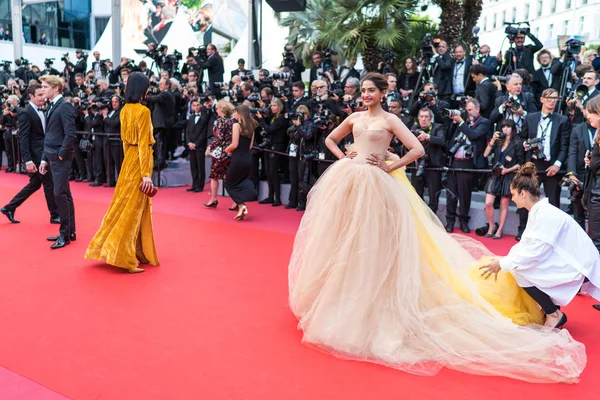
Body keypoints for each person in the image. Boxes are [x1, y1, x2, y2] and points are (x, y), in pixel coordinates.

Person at [289, 72, 586, 383]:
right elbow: (329, 139)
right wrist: (344, 157)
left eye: (370, 91)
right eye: (362, 90)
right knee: (344, 240)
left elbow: (416, 150)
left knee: (374, 243)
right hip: (350, 180)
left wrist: (389, 166)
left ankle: (375, 301)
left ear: (381, 92)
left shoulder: (390, 120)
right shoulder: (353, 117)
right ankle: (341, 298)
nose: (364, 95)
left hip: (377, 186)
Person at [480, 162, 600, 327]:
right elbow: (528, 244)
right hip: (570, 259)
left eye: (513, 194)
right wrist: (506, 259)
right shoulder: (540, 211)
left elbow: (534, 252)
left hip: (578, 266)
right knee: (517, 263)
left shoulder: (545, 215)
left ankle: (553, 313)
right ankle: (551, 307)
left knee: (519, 270)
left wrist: (503, 263)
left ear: (523, 193)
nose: (512, 198)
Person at [85, 72, 159, 274]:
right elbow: (144, 143)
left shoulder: (125, 109)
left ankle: (132, 250)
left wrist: (130, 162)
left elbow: (127, 142)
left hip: (129, 160)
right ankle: (122, 256)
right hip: (140, 162)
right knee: (132, 209)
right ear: (142, 89)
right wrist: (145, 173)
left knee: (124, 204)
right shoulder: (143, 112)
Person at [1, 83, 59, 224]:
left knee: (35, 184)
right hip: (36, 156)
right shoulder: (26, 113)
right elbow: (24, 138)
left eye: (43, 94)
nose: (42, 98)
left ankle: (9, 207)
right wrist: (27, 160)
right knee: (49, 183)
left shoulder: (42, 110)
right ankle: (54, 215)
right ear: (31, 96)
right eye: (39, 95)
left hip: (42, 152)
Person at [39, 75, 77, 249]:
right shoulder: (53, 106)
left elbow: (70, 133)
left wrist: (61, 154)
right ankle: (70, 231)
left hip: (60, 157)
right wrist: (45, 159)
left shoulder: (65, 106)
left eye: (45, 86)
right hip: (52, 155)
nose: (42, 89)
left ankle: (65, 235)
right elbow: (50, 136)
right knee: (65, 194)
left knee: (59, 194)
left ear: (56, 88)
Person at [482, 120, 524, 238]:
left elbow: (520, 163)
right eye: (503, 127)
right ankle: (491, 226)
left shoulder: (517, 143)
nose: (505, 129)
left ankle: (499, 229)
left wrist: (507, 169)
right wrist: (493, 140)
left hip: (508, 175)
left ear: (513, 128)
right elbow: (485, 155)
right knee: (488, 203)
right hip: (495, 174)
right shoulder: (498, 141)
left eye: (508, 127)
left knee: (504, 204)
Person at [223, 105, 258, 220]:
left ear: (239, 114)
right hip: (248, 159)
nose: (234, 115)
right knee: (241, 180)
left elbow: (234, 144)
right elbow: (250, 146)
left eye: (235, 112)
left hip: (237, 159)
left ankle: (241, 205)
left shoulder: (236, 125)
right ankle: (241, 204)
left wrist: (226, 150)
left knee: (228, 183)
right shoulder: (252, 126)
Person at [204, 99, 234, 207]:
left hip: (221, 152)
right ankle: (236, 201)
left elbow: (219, 138)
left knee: (214, 176)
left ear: (221, 108)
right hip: (229, 151)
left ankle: (213, 199)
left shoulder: (221, 121)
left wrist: (209, 148)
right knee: (228, 176)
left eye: (217, 108)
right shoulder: (231, 121)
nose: (216, 110)